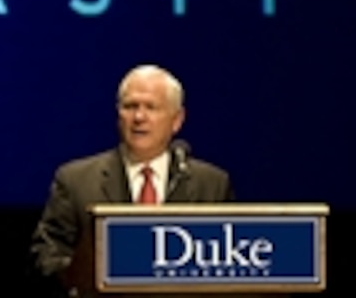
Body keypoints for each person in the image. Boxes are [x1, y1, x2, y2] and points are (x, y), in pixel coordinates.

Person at [27, 65, 234, 295]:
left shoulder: (212, 184)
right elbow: (46, 254)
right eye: (130, 106)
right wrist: (83, 277)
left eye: (151, 107)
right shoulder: (75, 180)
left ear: (177, 120)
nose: (139, 117)